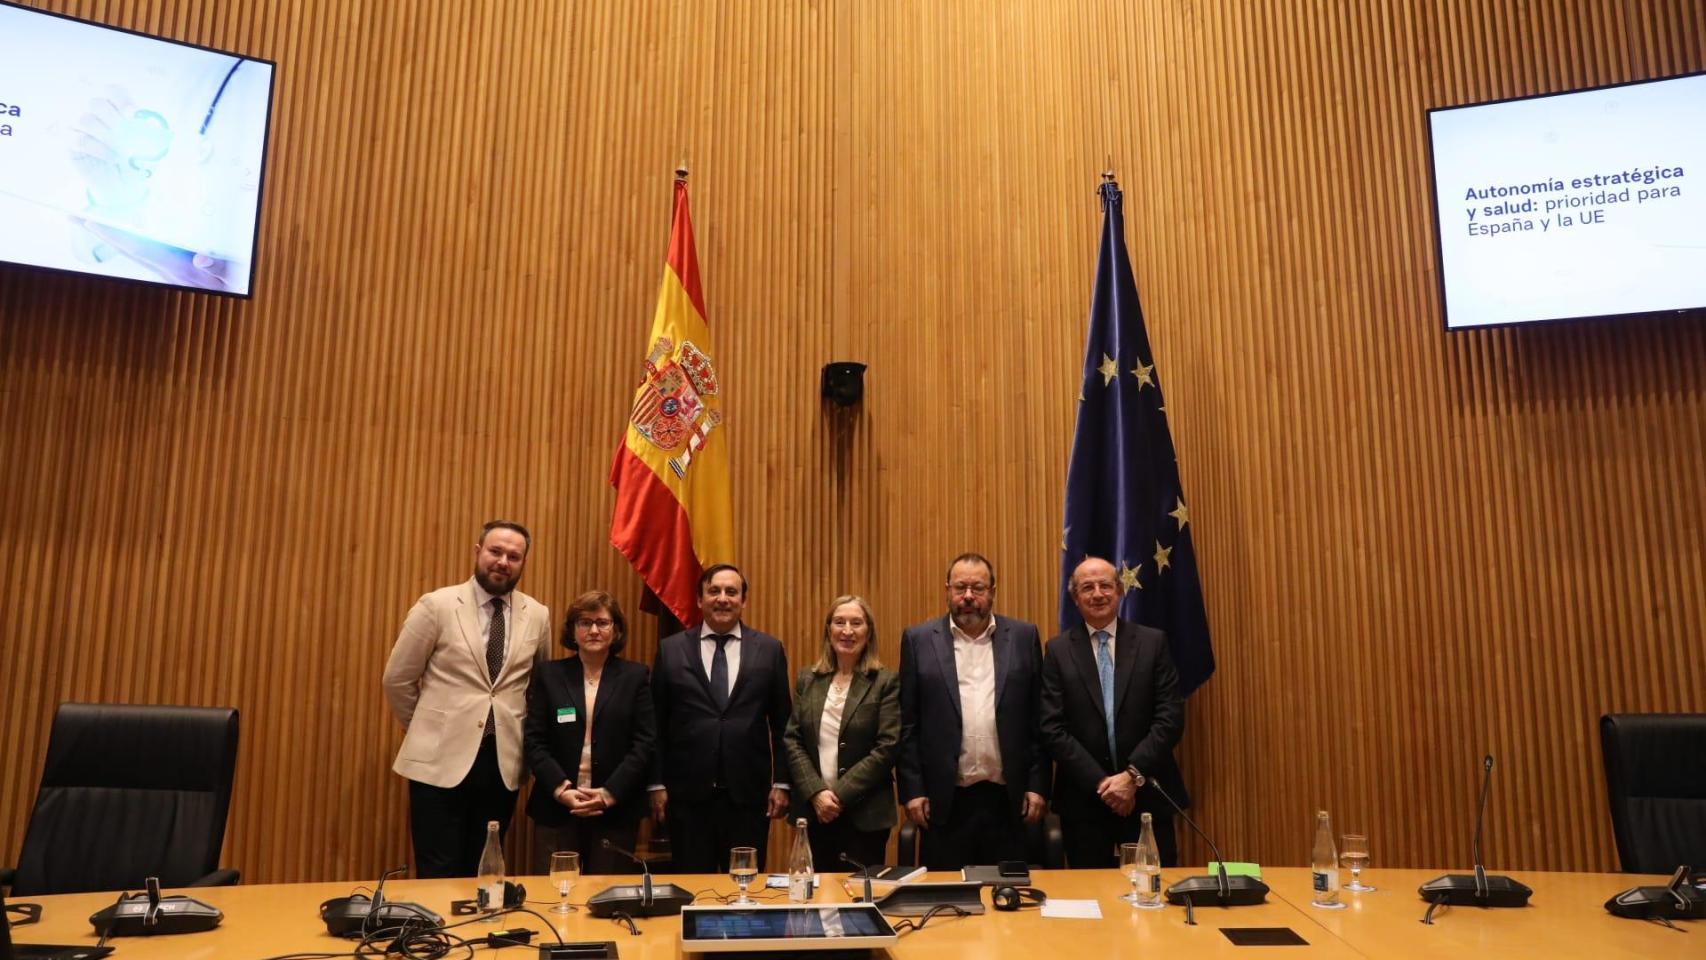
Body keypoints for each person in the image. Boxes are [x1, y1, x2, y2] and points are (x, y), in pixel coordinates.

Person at [382, 520, 551, 878]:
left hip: (502, 762)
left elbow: (539, 686)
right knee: (438, 870)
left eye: (514, 556)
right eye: (495, 551)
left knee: (486, 869)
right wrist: (427, 726)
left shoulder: (537, 615)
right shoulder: (436, 605)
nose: (503, 561)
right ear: (478, 552)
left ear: (523, 562)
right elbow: (398, 679)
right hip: (438, 762)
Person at [897, 553, 1050, 870]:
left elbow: (1038, 720)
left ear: (993, 590)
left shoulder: (1023, 637)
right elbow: (908, 724)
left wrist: (1037, 785)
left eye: (977, 588)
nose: (968, 596)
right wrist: (913, 791)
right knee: (949, 905)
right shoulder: (918, 640)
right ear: (947, 589)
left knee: (1010, 905)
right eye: (960, 587)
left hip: (1010, 801)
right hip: (944, 803)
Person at [1040, 556, 1186, 867]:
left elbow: (1170, 717)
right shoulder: (1057, 650)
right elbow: (1052, 728)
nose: (1097, 594)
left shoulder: (1152, 643)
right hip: (1084, 800)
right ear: (1075, 598)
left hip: (1147, 795)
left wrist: (1131, 777)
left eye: (1105, 585)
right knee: (1092, 902)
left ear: (1119, 592)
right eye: (1087, 587)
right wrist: (1105, 785)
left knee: (1155, 893)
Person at [649, 564, 792, 873]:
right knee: (692, 886)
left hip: (748, 796)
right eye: (714, 591)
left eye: (731, 591)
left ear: (744, 600)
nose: (723, 598)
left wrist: (781, 781)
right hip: (687, 796)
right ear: (700, 600)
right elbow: (655, 725)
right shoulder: (671, 650)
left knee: (744, 889)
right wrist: (656, 783)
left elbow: (783, 725)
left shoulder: (769, 650)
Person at [524, 591, 656, 875]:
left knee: (607, 901)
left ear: (616, 629)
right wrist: (562, 790)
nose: (594, 630)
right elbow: (534, 741)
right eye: (585, 622)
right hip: (557, 808)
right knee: (552, 897)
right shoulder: (549, 675)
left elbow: (644, 743)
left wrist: (609, 793)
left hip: (614, 809)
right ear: (572, 630)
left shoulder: (636, 677)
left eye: (603, 623)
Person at [782, 595, 901, 870]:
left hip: (865, 816)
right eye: (839, 622)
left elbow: (888, 746)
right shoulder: (808, 679)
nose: (847, 631)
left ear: (868, 632)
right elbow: (793, 739)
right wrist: (816, 793)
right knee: (815, 899)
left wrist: (838, 795)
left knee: (858, 901)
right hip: (814, 813)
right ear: (828, 629)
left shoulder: (885, 681)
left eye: (856, 623)